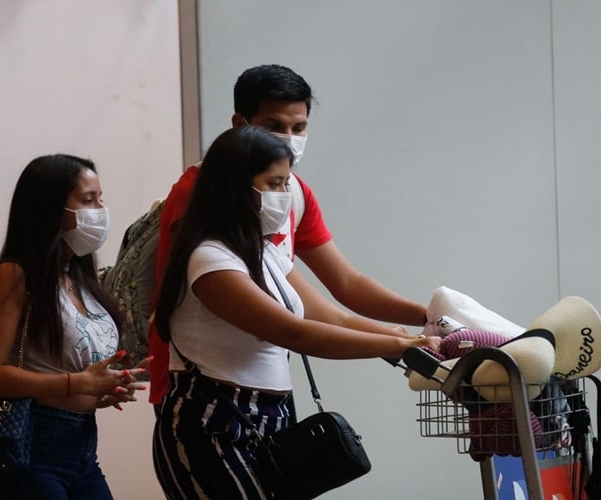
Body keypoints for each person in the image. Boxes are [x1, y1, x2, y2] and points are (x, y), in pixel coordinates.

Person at [152, 126, 441, 499]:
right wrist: (400, 347)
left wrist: (406, 335)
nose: (284, 196)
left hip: (271, 419)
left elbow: (333, 317)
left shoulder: (264, 251)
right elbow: (295, 333)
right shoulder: (211, 260)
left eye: (286, 183)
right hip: (213, 422)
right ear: (233, 186)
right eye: (274, 183)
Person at [147, 64, 429, 409]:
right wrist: (398, 344)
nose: (290, 139)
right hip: (206, 387)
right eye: (274, 126)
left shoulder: (291, 198)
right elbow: (292, 329)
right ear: (241, 125)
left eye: (299, 128)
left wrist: (427, 322)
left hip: (264, 389)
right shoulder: (204, 206)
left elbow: (345, 287)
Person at [0, 154, 150, 499]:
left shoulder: (79, 277)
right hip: (29, 451)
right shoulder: (15, 275)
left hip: (81, 447)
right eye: (87, 200)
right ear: (49, 209)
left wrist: (106, 386)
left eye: (100, 198)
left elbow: (64, 372)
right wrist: (77, 383)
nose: (99, 209)